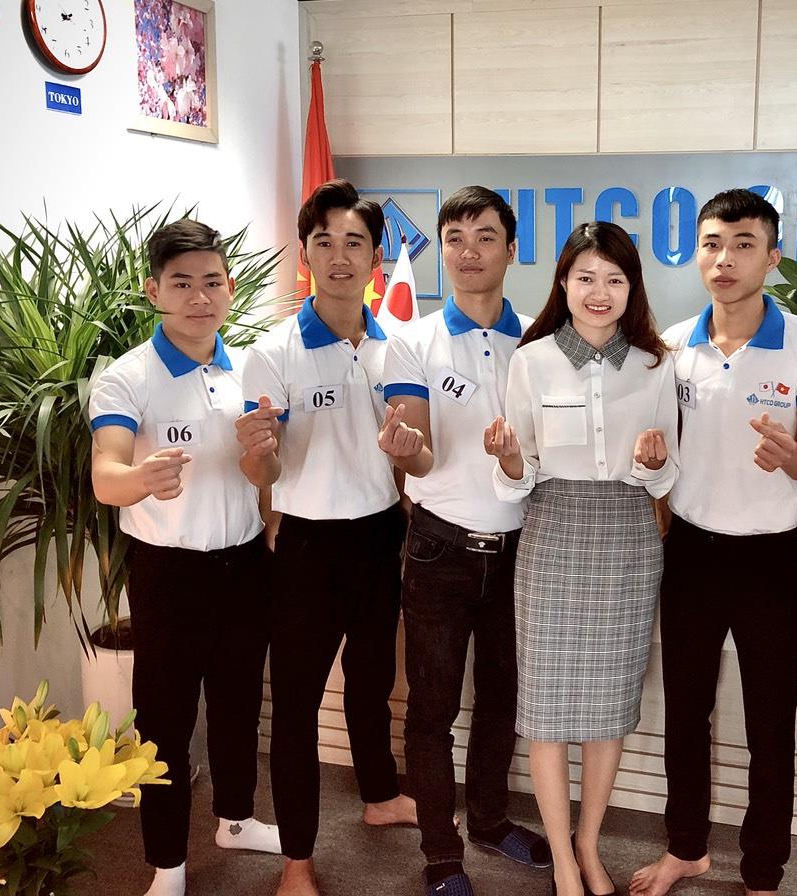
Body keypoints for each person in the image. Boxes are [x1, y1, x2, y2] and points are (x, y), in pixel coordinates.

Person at [632, 189, 797, 896]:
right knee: (686, 714)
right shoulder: (673, 347)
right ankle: (685, 847)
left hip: (768, 559)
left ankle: (762, 872)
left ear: (772, 257)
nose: (725, 259)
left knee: (770, 726)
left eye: (744, 244)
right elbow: (660, 461)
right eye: (712, 244)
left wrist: (791, 455)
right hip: (690, 554)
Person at [486, 221, 678, 896]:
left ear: (632, 288)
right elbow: (517, 480)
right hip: (553, 533)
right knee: (546, 707)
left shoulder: (655, 364)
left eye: (615, 279)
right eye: (586, 277)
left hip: (627, 538)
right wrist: (509, 458)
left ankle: (588, 844)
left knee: (608, 705)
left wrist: (653, 463)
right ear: (563, 281)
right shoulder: (531, 360)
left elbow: (665, 477)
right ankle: (563, 864)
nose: (600, 292)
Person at [89, 219, 280, 896]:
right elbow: (105, 475)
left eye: (212, 282)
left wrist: (263, 465)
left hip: (243, 564)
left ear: (230, 287)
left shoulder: (249, 368)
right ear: (153, 291)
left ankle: (236, 818)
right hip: (167, 572)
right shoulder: (127, 378)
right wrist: (141, 478)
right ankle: (166, 863)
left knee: (238, 703)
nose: (200, 297)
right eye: (181, 283)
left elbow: (265, 474)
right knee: (165, 720)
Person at [234, 179, 415, 896]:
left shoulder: (397, 345)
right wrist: (259, 453)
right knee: (297, 706)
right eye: (324, 242)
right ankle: (298, 861)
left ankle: (380, 795)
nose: (339, 257)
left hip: (380, 537)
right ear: (305, 253)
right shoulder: (272, 352)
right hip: (306, 547)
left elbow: (407, 455)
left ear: (376, 259)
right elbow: (264, 469)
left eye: (354, 243)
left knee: (373, 684)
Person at [379, 186, 551, 896]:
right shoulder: (412, 340)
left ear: (512, 249)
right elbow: (419, 455)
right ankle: (441, 853)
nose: (468, 251)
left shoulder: (541, 340)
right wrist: (406, 450)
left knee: (504, 699)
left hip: (521, 551)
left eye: (485, 237)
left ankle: (488, 820)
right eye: (454, 238)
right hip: (440, 549)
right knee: (432, 708)